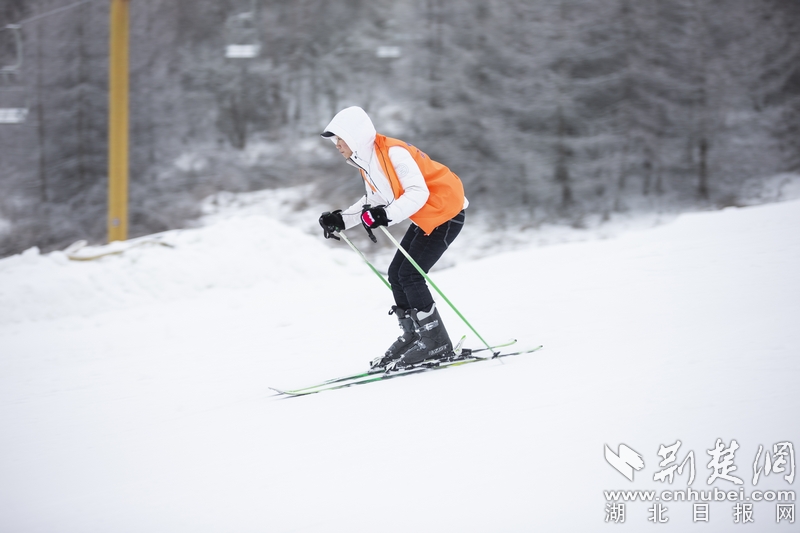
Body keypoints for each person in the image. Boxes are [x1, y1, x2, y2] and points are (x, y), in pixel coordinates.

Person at [318, 106, 469, 369]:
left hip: (446, 213)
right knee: (396, 273)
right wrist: (343, 219)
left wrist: (386, 215)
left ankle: (436, 342)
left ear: (354, 136)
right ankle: (415, 336)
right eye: (334, 140)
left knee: (410, 274)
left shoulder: (394, 153)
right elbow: (374, 199)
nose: (337, 145)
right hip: (428, 217)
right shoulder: (367, 160)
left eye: (340, 138)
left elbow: (417, 193)